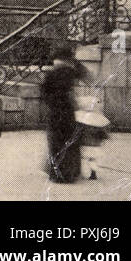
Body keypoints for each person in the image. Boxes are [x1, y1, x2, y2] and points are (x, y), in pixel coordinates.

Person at [42, 44, 86, 183]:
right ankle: (70, 173)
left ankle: (56, 174)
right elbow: (85, 74)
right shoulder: (70, 72)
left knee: (55, 142)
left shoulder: (50, 74)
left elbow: (44, 93)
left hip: (54, 112)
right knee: (70, 142)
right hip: (68, 111)